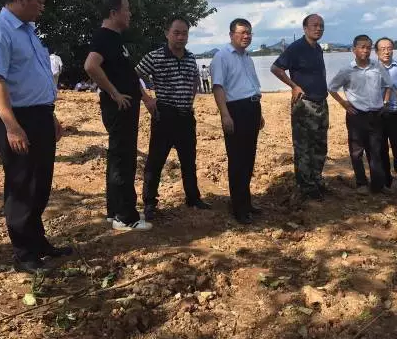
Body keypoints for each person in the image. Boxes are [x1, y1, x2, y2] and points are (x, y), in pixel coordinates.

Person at [0, 0, 70, 274]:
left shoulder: (28, 31)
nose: (42, 7)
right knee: (22, 186)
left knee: (40, 183)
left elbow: (35, 78)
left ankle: (38, 242)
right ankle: (24, 254)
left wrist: (50, 115)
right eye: (39, 2)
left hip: (40, 116)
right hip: (18, 119)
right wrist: (12, 125)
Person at [84, 0, 155, 231]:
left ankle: (115, 210)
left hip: (126, 106)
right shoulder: (104, 37)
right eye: (127, 9)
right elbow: (90, 66)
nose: (130, 14)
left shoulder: (115, 40)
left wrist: (144, 96)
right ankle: (125, 217)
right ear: (114, 13)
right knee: (123, 160)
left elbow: (128, 75)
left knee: (119, 158)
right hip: (119, 107)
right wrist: (114, 93)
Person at [135, 17, 211, 220]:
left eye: (184, 33)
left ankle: (193, 198)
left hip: (186, 116)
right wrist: (147, 99)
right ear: (167, 33)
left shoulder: (190, 57)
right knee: (156, 160)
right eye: (176, 33)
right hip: (165, 115)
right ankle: (149, 202)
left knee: (189, 160)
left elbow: (194, 79)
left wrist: (190, 99)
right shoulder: (155, 56)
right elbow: (134, 76)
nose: (180, 37)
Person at [210, 18, 264, 224]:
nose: (246, 36)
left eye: (249, 33)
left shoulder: (247, 57)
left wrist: (259, 113)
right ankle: (238, 208)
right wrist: (225, 114)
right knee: (237, 160)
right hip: (235, 110)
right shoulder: (222, 56)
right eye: (242, 32)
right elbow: (218, 87)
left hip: (252, 108)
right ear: (231, 34)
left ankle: (246, 202)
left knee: (249, 158)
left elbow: (251, 86)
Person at [270, 14, 329, 201]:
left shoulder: (317, 48)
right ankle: (306, 186)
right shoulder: (296, 48)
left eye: (321, 26)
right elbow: (276, 68)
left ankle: (317, 179)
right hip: (304, 104)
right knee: (304, 147)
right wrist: (294, 86)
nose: (318, 28)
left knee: (320, 145)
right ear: (305, 28)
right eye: (314, 25)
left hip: (321, 102)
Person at [328, 35, 395, 195]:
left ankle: (378, 185)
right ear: (354, 50)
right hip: (356, 116)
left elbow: (389, 85)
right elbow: (332, 88)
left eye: (368, 47)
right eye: (362, 47)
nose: (365, 50)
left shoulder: (377, 67)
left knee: (376, 151)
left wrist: (385, 103)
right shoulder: (347, 70)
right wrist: (344, 103)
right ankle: (361, 183)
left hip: (376, 114)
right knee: (356, 152)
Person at [375, 37, 397, 195]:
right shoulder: (371, 68)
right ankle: (385, 181)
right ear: (376, 52)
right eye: (382, 49)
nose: (386, 52)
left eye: (389, 48)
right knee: (380, 149)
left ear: (393, 50)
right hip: (377, 115)